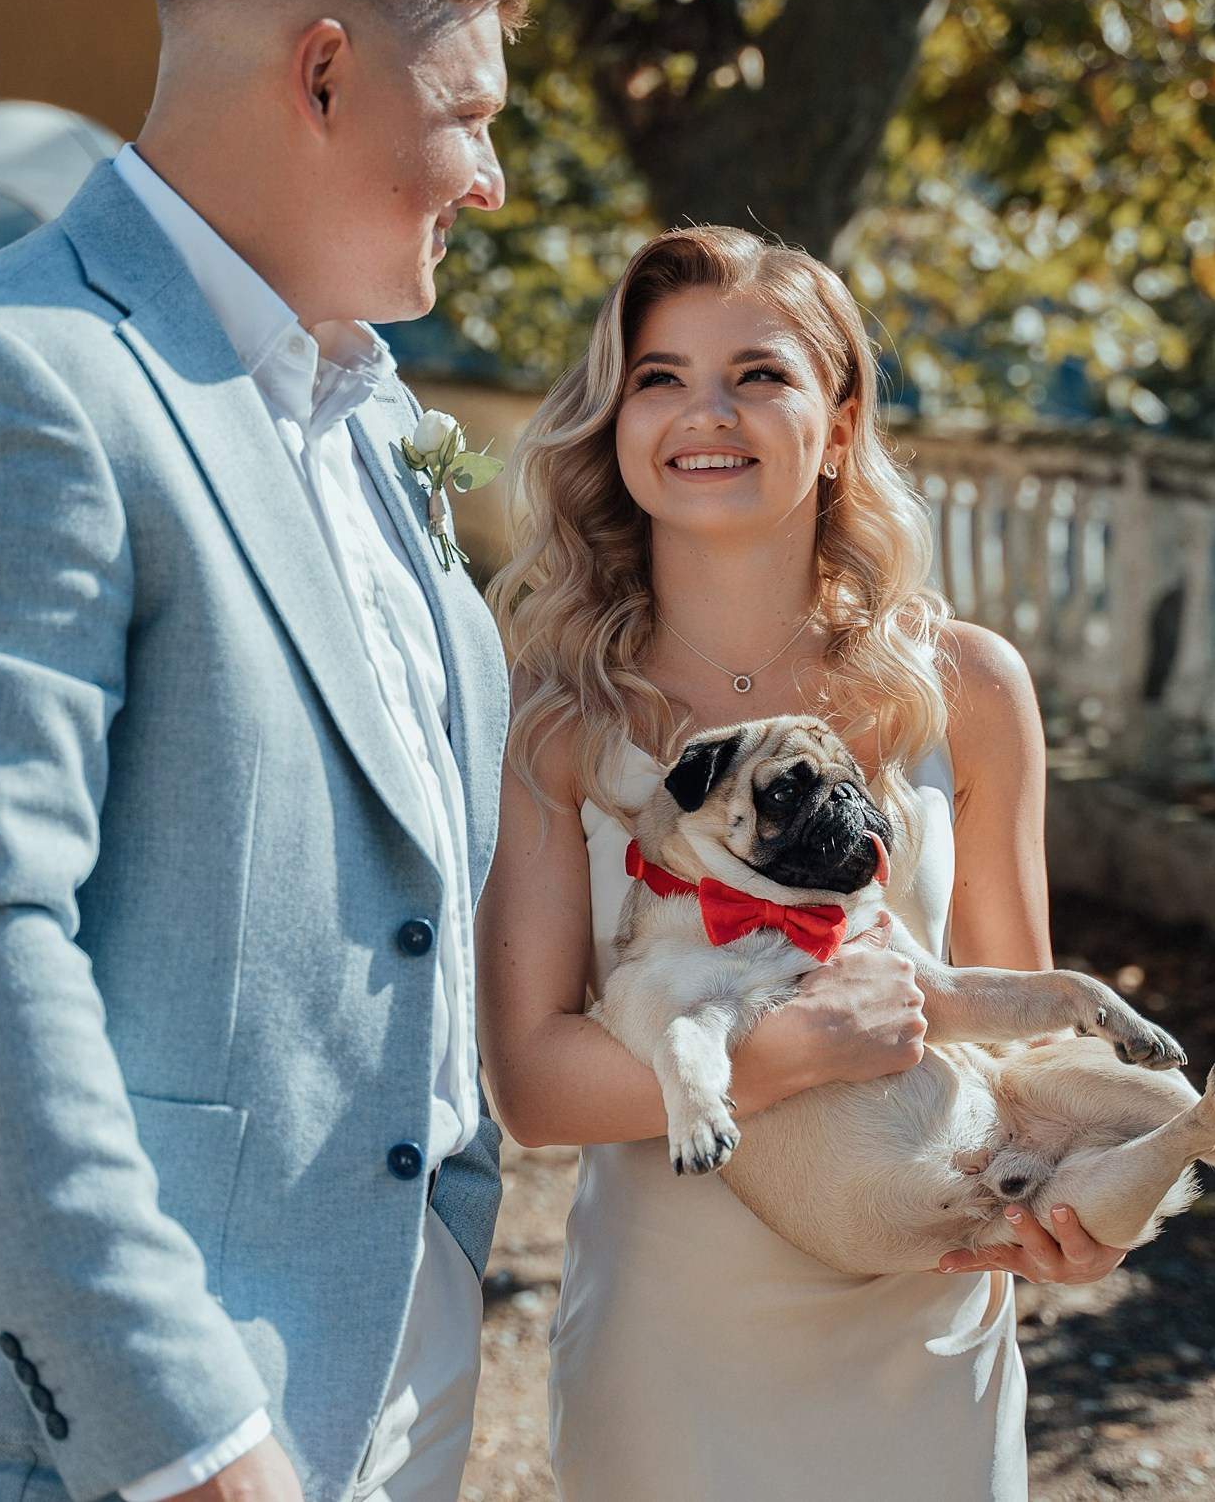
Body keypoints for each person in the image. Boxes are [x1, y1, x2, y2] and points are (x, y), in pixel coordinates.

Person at [0, 0, 523, 1502]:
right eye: (469, 113)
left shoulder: (361, 415)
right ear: (324, 73)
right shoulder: (9, 387)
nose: (488, 178)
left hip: (380, 1373)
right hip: (131, 1445)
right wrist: (190, 1439)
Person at [478, 227, 1131, 1500]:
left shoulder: (968, 689)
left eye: (759, 375)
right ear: (615, 423)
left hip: (923, 1327)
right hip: (669, 1359)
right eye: (658, 377)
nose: (702, 413)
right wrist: (796, 1049)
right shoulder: (555, 723)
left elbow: (1029, 1044)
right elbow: (534, 1088)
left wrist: (1077, 1211)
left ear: (838, 423)